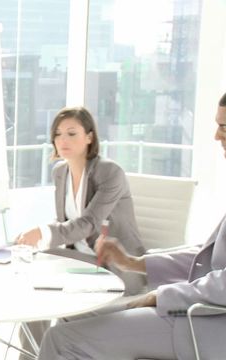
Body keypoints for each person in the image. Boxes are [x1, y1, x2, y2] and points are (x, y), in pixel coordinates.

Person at [37, 92, 226, 360]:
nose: (217, 136)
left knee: (60, 339)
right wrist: (135, 262)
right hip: (191, 306)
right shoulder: (61, 173)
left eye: (223, 126)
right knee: (69, 321)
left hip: (206, 322)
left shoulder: (108, 172)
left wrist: (163, 295)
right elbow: (203, 257)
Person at [14, 106, 146, 358]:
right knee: (29, 265)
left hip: (114, 264)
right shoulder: (60, 172)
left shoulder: (110, 172)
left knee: (36, 264)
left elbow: (88, 223)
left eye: (72, 134)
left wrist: (42, 232)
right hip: (78, 260)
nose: (63, 140)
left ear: (89, 137)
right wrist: (33, 238)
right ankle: (31, 354)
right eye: (58, 134)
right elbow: (65, 220)